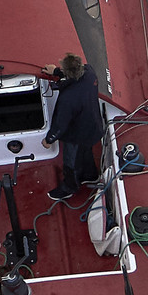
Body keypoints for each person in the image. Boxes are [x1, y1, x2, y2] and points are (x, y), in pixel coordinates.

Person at [43, 52, 102, 195]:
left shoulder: (68, 99)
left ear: (67, 73)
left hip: (77, 134)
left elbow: (61, 124)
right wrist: (56, 71)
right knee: (86, 152)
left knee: (71, 161)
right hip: (93, 127)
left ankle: (69, 187)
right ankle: (91, 176)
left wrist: (49, 139)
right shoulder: (90, 74)